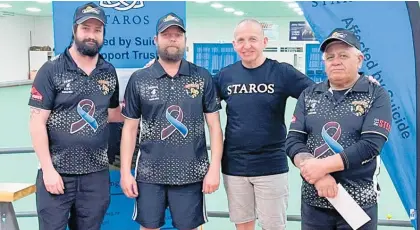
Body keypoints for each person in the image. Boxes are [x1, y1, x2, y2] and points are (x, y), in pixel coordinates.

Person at [119, 12, 224, 230]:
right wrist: (125, 173)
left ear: (185, 40)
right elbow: (129, 129)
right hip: (149, 174)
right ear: (156, 40)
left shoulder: (201, 77)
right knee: (148, 227)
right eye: (167, 34)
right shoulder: (140, 79)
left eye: (177, 34)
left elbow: (214, 126)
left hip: (192, 173)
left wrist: (214, 168)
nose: (173, 39)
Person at [28, 2, 123, 230]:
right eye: (86, 28)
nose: (91, 35)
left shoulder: (108, 72)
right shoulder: (51, 70)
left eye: (97, 30)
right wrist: (48, 170)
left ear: (103, 34)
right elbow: (36, 122)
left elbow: (113, 114)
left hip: (96, 176)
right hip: (57, 173)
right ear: (74, 30)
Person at [285, 28, 392, 230]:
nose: (336, 61)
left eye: (343, 55)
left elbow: (370, 145)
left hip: (358, 203)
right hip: (314, 201)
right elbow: (293, 141)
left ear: (359, 60)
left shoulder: (376, 95)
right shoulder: (309, 94)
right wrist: (319, 175)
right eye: (330, 57)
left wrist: (323, 167)